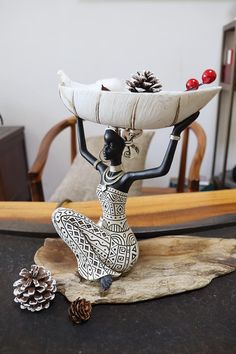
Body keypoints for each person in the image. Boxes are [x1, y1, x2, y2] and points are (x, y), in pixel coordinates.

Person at [52, 112, 199, 291]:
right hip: (103, 238)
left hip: (121, 248)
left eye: (111, 144)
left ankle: (97, 269)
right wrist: (79, 118)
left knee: (61, 215)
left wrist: (176, 133)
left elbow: (162, 169)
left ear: (121, 149)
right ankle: (98, 269)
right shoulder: (103, 170)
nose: (106, 148)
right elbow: (83, 151)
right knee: (59, 216)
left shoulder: (125, 178)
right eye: (106, 144)